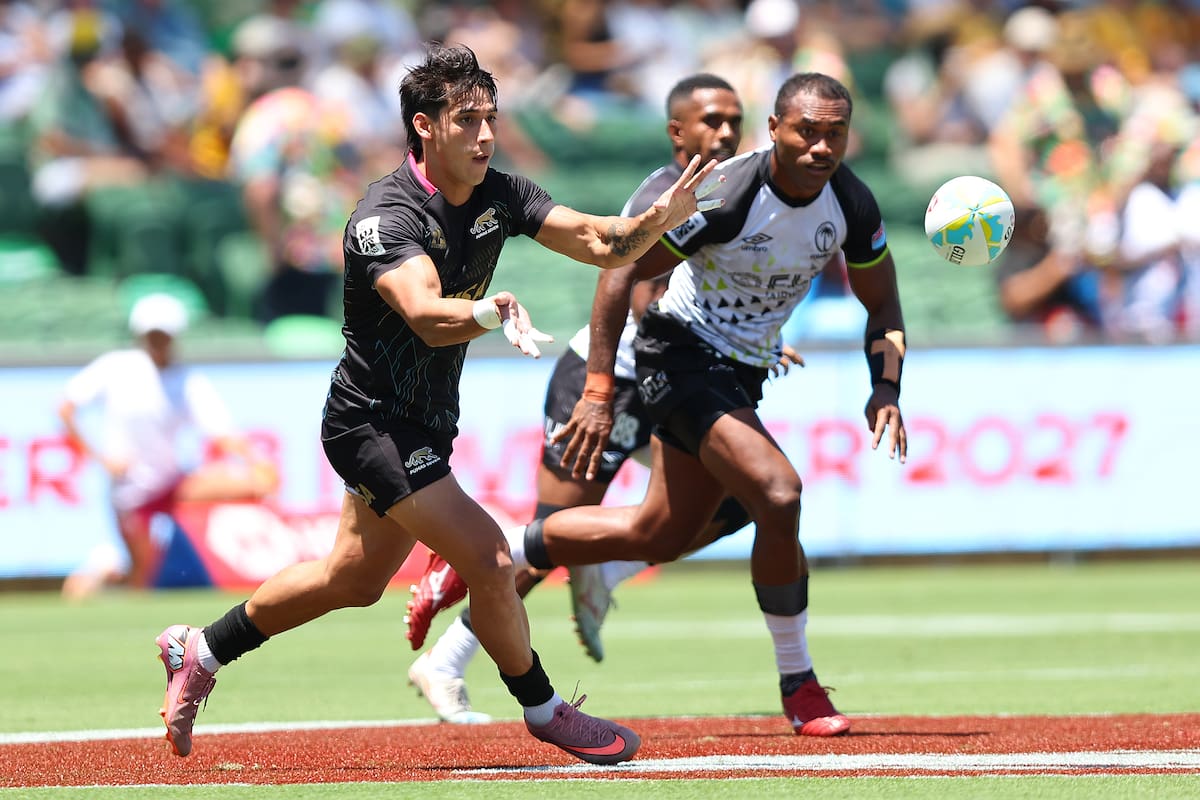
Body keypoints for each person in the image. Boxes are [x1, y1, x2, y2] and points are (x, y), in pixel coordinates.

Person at [153, 43, 719, 765]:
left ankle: (200, 649)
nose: (486, 134)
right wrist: (489, 312)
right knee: (486, 556)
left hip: (421, 421)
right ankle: (545, 710)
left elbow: (602, 243)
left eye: (491, 117)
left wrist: (659, 220)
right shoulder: (384, 217)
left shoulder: (499, 194)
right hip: (370, 424)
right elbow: (423, 310)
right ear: (424, 126)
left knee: (352, 580)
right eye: (467, 120)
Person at [498, 72, 908, 738]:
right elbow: (622, 267)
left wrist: (885, 388)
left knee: (658, 533)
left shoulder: (851, 204)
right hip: (675, 354)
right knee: (776, 494)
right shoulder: (726, 193)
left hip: (740, 372)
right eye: (807, 131)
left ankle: (501, 544)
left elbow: (883, 303)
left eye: (834, 133)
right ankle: (800, 684)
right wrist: (600, 389)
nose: (821, 147)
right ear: (774, 130)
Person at [402, 73, 806, 724]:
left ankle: (606, 572)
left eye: (734, 119)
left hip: (669, 385)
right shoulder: (664, 194)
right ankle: (444, 661)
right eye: (711, 120)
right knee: (544, 542)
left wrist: (751, 338)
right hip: (611, 382)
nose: (726, 131)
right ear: (679, 133)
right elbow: (643, 297)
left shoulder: (745, 192)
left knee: (745, 499)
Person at [58, 293, 278, 599]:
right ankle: (103, 568)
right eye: (152, 335)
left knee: (252, 484)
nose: (157, 342)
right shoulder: (117, 367)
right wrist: (99, 457)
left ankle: (242, 564)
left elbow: (222, 433)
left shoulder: (186, 379)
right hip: (130, 494)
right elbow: (66, 409)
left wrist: (256, 462)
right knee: (141, 581)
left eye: (163, 335)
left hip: (171, 484)